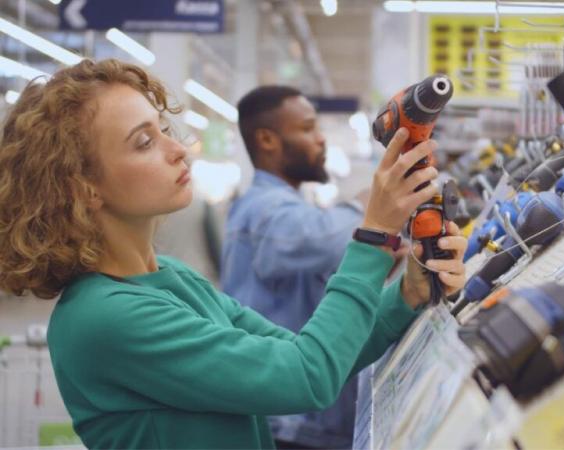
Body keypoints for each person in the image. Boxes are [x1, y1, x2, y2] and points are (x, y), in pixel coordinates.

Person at [0, 59, 467, 449]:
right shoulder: (103, 319)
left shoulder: (172, 277)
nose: (179, 150)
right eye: (144, 142)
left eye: (164, 129)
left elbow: (306, 352)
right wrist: (374, 235)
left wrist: (407, 291)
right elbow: (307, 377)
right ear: (86, 189)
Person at [221, 86, 374, 449]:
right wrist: (369, 208)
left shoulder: (284, 204)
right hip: (288, 426)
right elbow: (320, 238)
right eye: (307, 129)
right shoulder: (264, 209)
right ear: (267, 140)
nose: (320, 139)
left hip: (303, 419)